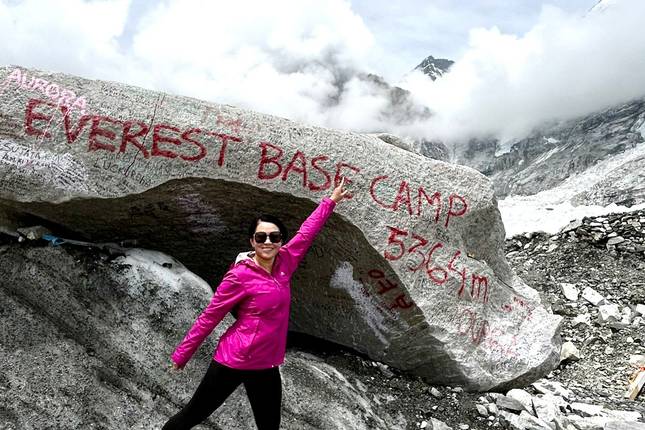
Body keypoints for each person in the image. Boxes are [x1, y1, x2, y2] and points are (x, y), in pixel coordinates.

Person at [162, 179, 350, 430]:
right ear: (252, 241)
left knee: (269, 427)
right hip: (234, 360)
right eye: (261, 237)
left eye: (274, 236)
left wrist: (330, 201)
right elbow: (210, 316)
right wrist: (182, 354)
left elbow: (306, 233)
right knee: (192, 415)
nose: (268, 241)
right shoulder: (239, 276)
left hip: (266, 364)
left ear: (281, 240)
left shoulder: (285, 261)